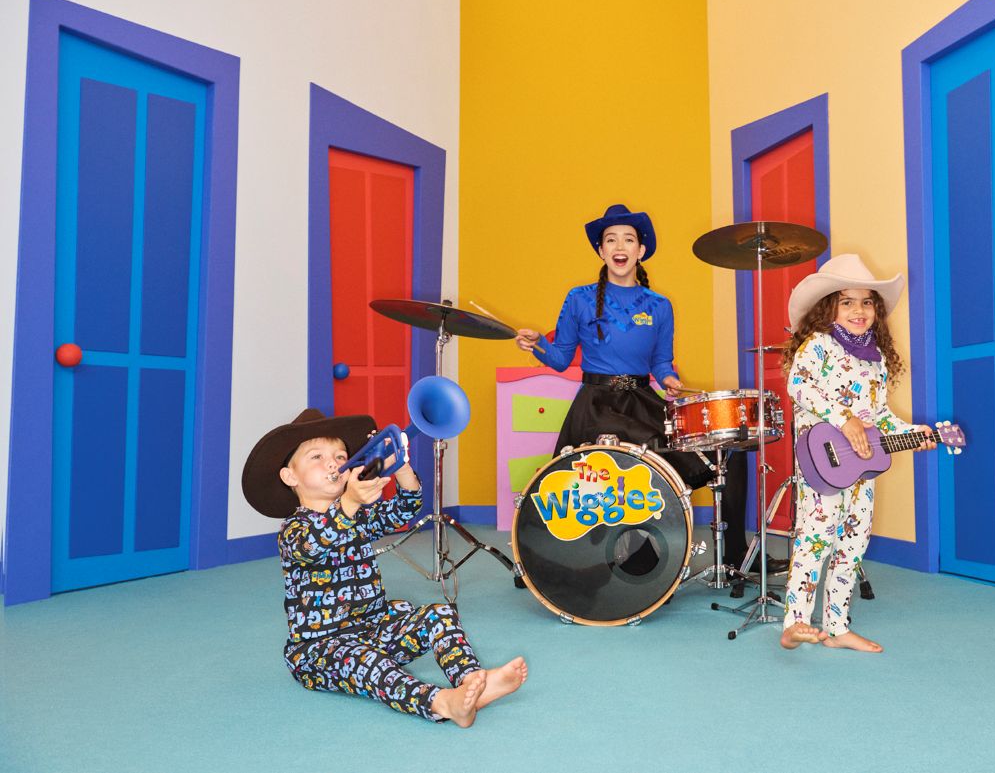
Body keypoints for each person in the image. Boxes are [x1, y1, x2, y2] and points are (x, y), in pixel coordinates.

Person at [514, 203, 779, 575]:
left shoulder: (660, 305)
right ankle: (557, 561)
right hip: (596, 407)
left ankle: (737, 555)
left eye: (628, 239)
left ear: (640, 251)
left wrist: (670, 381)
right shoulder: (579, 298)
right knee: (645, 452)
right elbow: (560, 358)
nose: (619, 245)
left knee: (727, 455)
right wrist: (537, 344)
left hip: (641, 400)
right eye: (610, 239)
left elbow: (660, 363)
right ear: (601, 251)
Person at [241, 408, 528, 727]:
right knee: (367, 661)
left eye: (339, 455)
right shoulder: (293, 531)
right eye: (317, 457)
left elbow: (405, 510)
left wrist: (401, 466)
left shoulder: (359, 517)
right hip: (318, 650)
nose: (333, 463)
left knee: (439, 613)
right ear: (290, 476)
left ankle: (473, 682)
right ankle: (442, 703)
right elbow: (314, 544)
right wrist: (349, 504)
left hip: (373, 628)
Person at [777, 254, 935, 652]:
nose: (858, 310)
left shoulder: (876, 359)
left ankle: (837, 626)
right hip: (821, 462)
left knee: (852, 544)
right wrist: (843, 418)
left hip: (860, 469)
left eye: (866, 302)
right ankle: (795, 622)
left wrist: (915, 433)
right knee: (815, 540)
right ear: (828, 307)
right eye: (846, 301)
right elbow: (801, 388)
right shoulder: (817, 345)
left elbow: (879, 416)